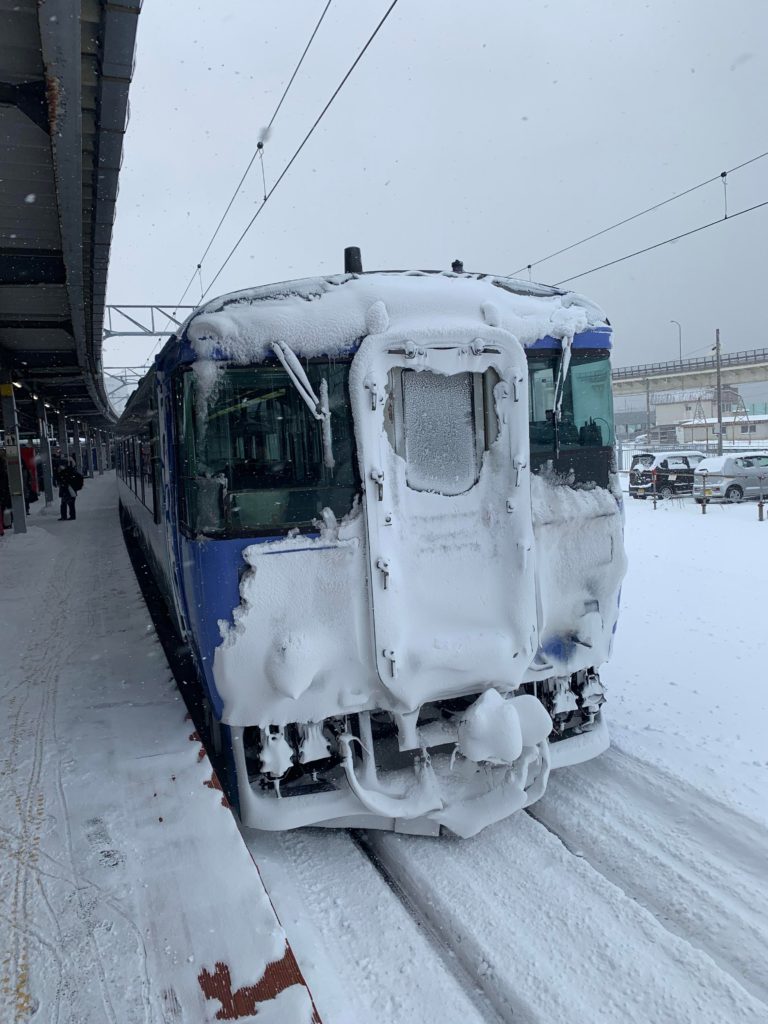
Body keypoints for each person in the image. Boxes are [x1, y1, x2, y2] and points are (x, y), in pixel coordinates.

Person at [58, 456, 81, 521]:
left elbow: (64, 480)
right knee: (69, 503)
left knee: (66, 503)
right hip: (69, 489)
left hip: (68, 489)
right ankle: (69, 516)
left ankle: (65, 516)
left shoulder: (68, 471)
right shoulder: (71, 470)